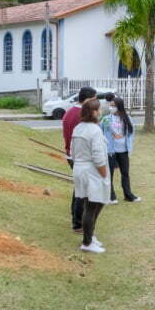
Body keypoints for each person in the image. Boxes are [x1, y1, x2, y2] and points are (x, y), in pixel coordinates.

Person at [70, 99, 111, 253]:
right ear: (93, 112)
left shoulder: (79, 128)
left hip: (80, 169)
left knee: (94, 204)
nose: (100, 111)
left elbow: (72, 153)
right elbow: (98, 156)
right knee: (92, 206)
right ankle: (87, 243)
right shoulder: (94, 130)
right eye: (98, 109)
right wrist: (104, 174)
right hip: (92, 171)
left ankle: (90, 235)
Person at [63, 86, 96, 232]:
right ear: (87, 99)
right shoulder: (82, 114)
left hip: (71, 154)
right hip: (80, 157)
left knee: (78, 188)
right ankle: (77, 223)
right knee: (82, 191)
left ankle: (75, 215)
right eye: (94, 99)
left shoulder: (69, 112)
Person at [103, 96, 140, 203]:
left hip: (123, 150)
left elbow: (131, 132)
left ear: (119, 107)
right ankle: (111, 196)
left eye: (113, 106)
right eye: (111, 105)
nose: (111, 107)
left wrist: (129, 144)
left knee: (125, 173)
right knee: (109, 174)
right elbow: (101, 131)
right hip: (110, 151)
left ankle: (128, 195)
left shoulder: (127, 118)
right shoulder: (106, 119)